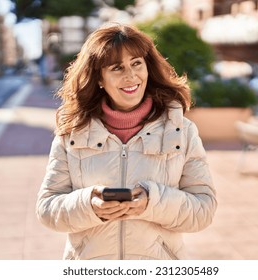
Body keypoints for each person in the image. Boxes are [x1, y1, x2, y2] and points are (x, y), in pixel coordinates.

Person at [36, 23, 217, 260]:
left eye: (136, 63)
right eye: (116, 67)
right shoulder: (71, 132)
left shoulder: (182, 131)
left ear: (147, 68)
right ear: (99, 78)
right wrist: (88, 205)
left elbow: (203, 210)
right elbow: (47, 209)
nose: (130, 76)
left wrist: (153, 202)